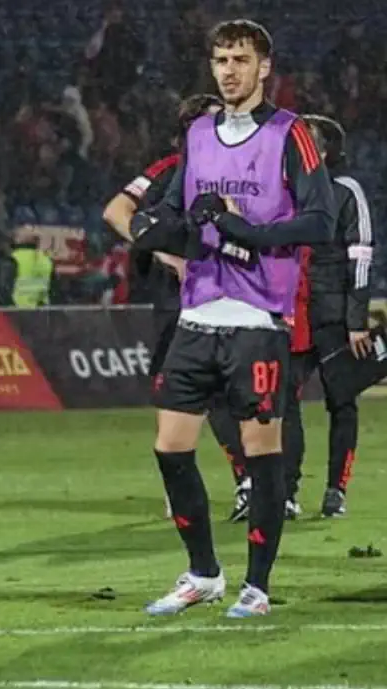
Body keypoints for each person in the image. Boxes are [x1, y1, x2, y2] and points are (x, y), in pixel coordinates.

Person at [130, 20, 335, 618]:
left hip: (258, 318)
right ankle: (203, 573)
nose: (228, 71)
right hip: (198, 313)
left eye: (241, 59)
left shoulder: (291, 133)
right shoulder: (197, 133)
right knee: (170, 448)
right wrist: (155, 229)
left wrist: (245, 229)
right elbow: (175, 209)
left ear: (265, 67)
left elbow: (320, 222)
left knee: (260, 453)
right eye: (221, 59)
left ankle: (258, 586)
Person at [102, 93, 248, 521]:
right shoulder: (168, 171)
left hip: (228, 294)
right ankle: (192, 484)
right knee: (183, 392)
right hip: (176, 301)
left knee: (229, 391)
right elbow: (115, 211)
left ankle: (252, 484)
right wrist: (168, 256)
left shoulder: (237, 171)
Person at [276, 114, 373, 518]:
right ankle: (288, 492)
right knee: (286, 403)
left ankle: (336, 490)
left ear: (325, 150)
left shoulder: (346, 190)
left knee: (342, 402)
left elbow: (361, 257)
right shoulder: (286, 190)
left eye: (306, 140)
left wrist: (356, 321)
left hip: (333, 316)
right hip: (294, 314)